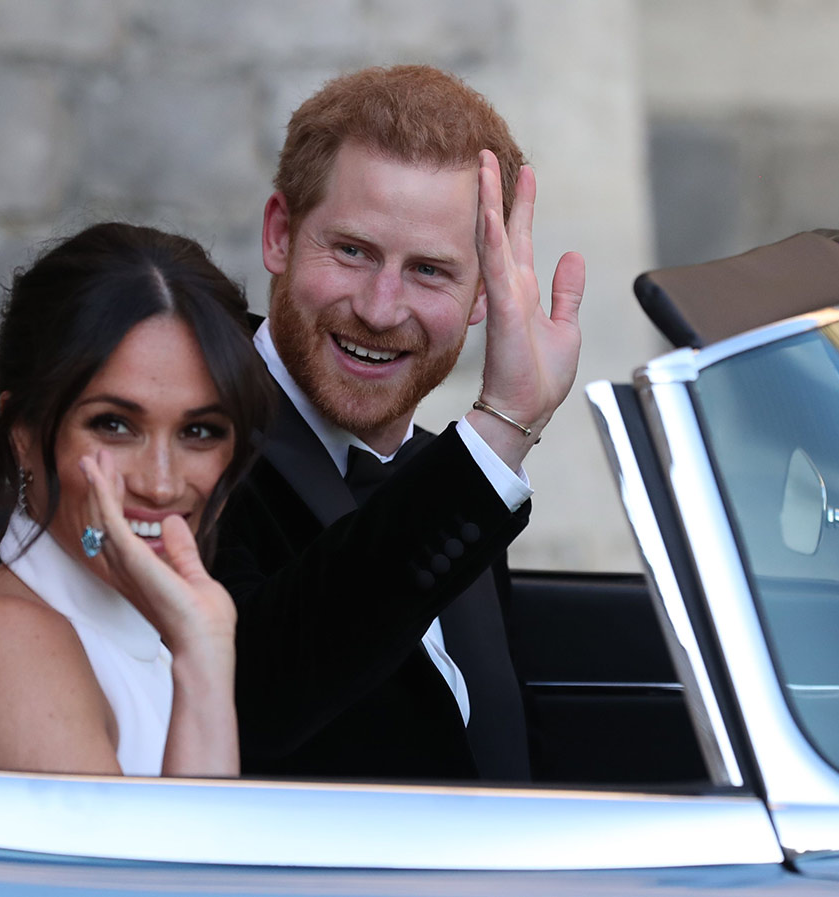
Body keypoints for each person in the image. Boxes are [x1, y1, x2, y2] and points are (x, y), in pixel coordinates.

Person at [214, 65, 585, 780]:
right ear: (280, 236)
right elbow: (254, 701)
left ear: (484, 296)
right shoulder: (192, 442)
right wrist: (503, 426)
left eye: (430, 271)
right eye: (352, 251)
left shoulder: (446, 475)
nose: (381, 309)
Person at [0, 222, 276, 777]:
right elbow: (175, 869)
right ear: (24, 435)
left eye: (199, 432)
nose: (160, 483)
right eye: (114, 425)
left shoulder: (140, 626)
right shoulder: (8, 649)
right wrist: (202, 658)